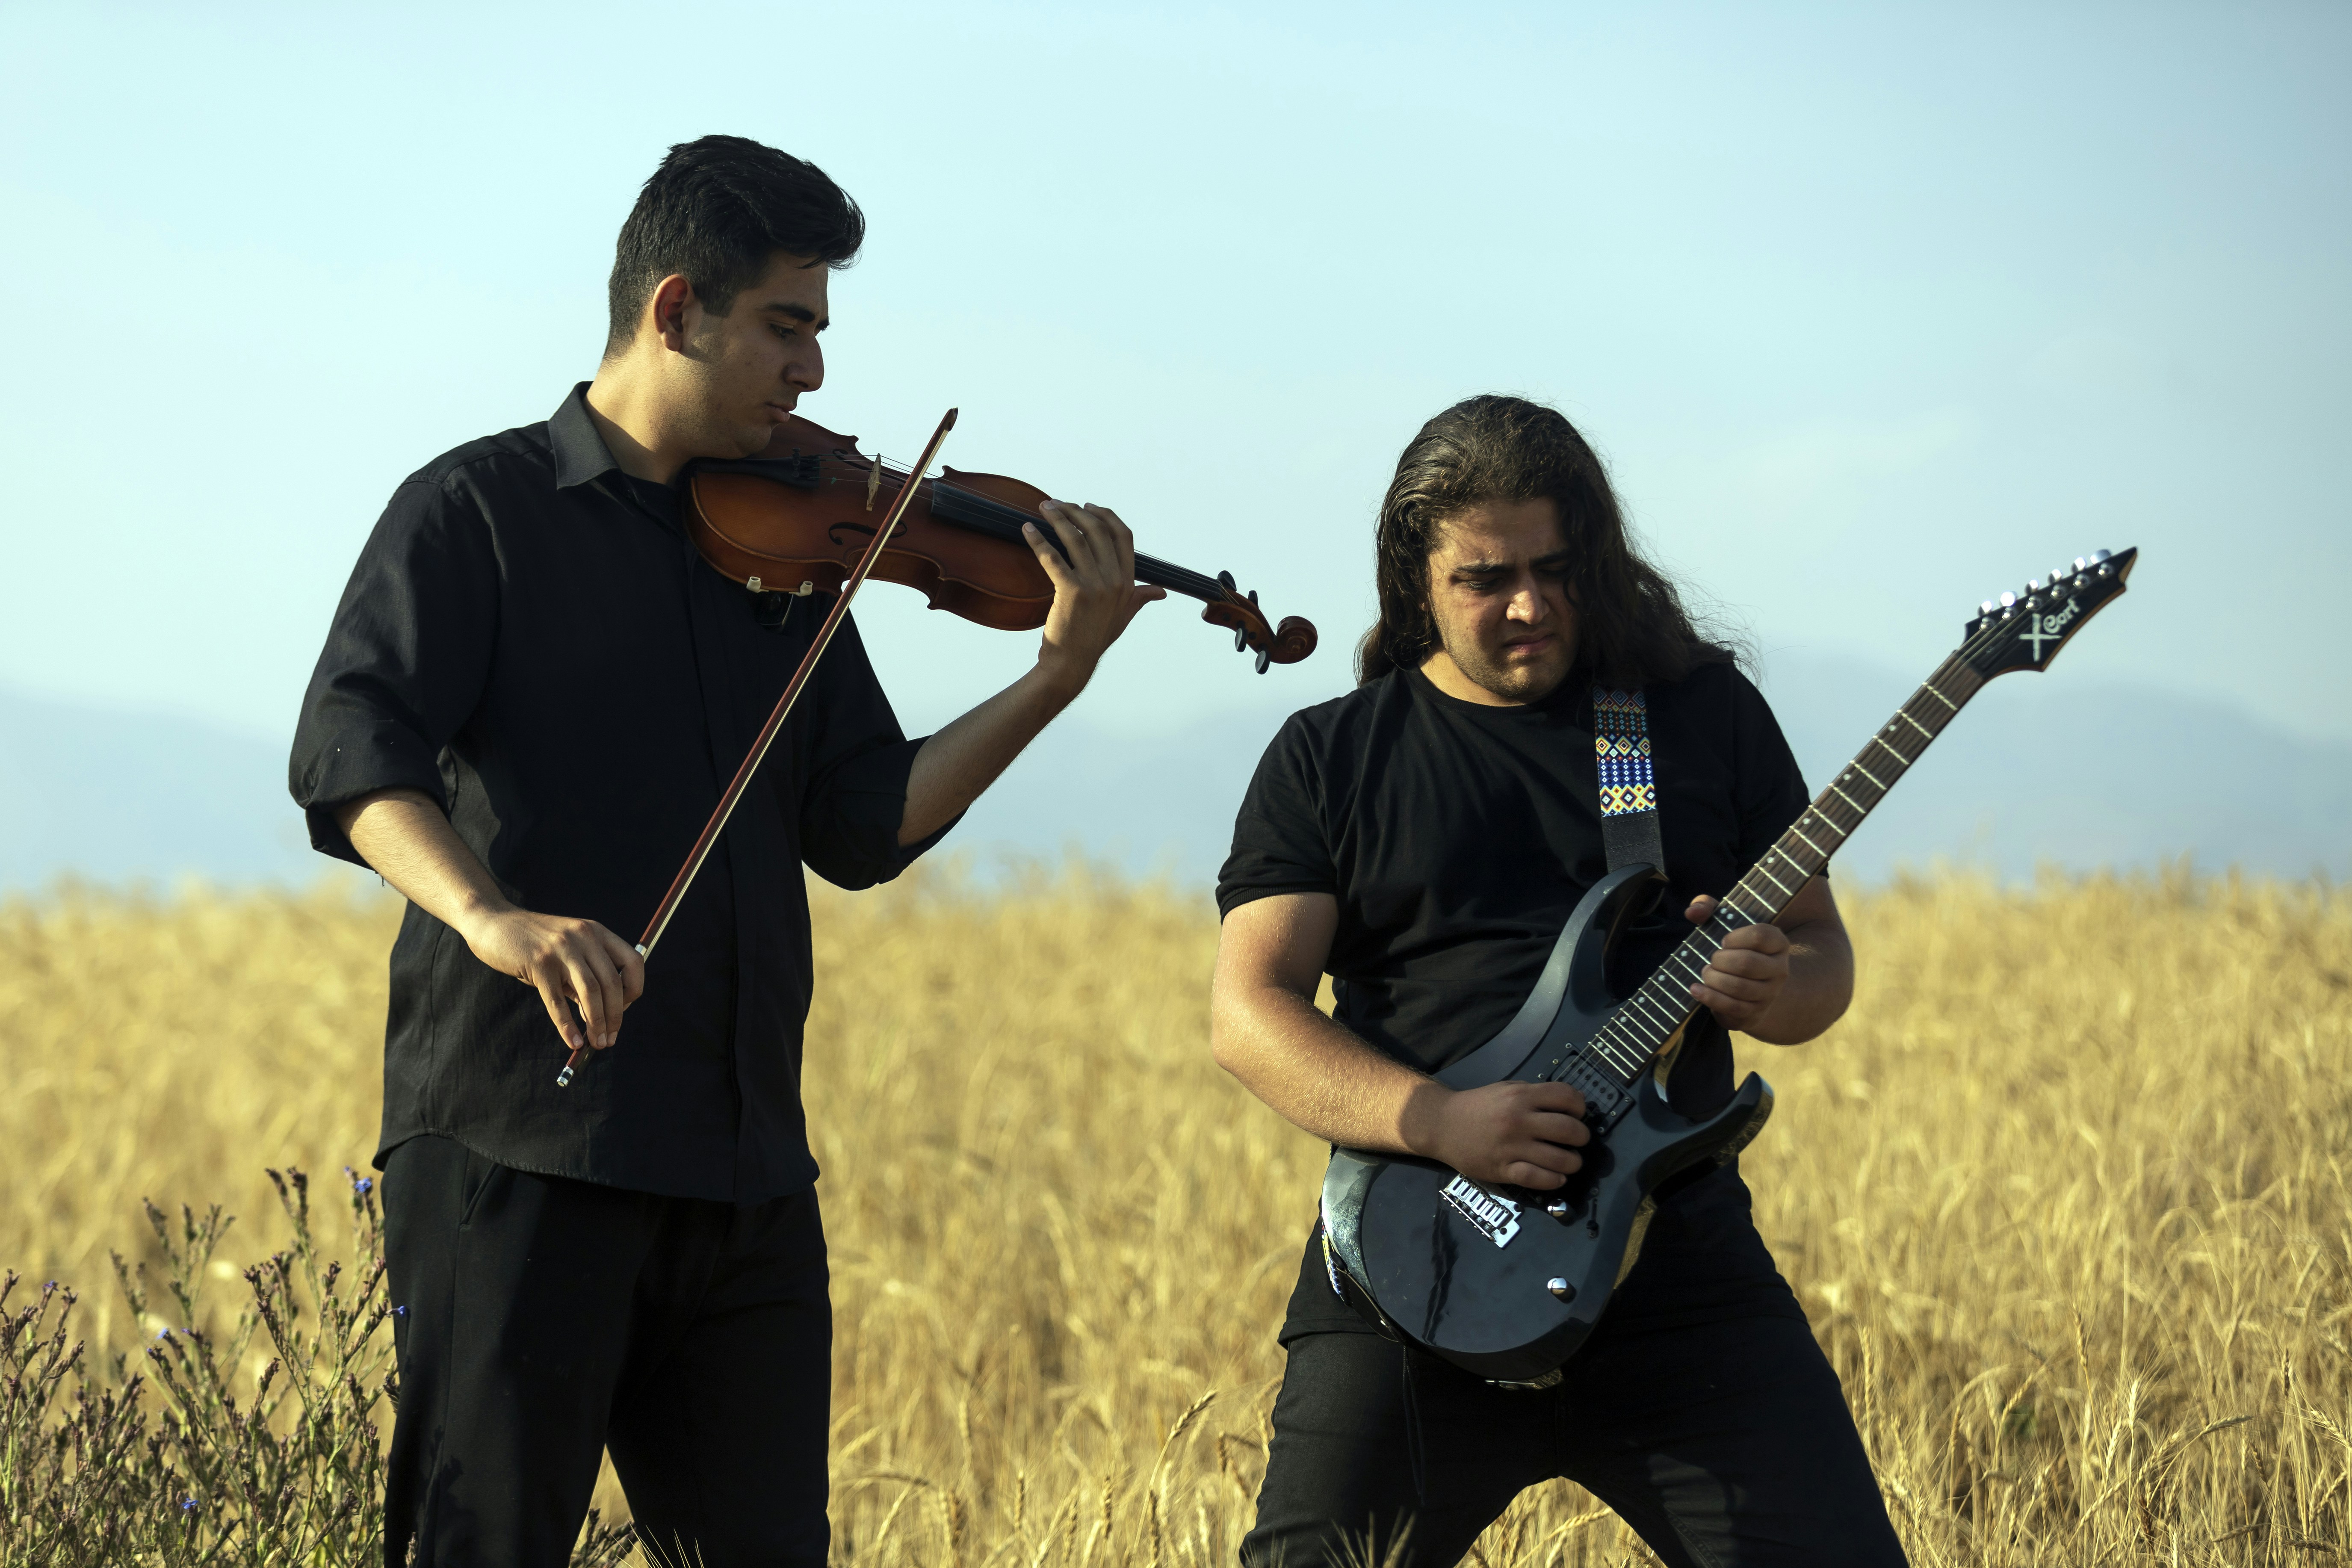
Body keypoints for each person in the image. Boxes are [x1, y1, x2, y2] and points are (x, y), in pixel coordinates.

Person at [288, 135, 1161, 1568]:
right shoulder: (478, 511)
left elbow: (864, 820)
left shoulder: (787, 555)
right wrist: (494, 919)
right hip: (526, 1147)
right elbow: (349, 748)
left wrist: (1052, 677)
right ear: (676, 307)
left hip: (746, 1175)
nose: (813, 374)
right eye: (788, 326)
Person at [1209, 395, 1908, 1567]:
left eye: (1553, 567)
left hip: (1671, 1272)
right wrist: (1439, 1120)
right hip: (1412, 1261)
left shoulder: (1696, 715)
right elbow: (1248, 1011)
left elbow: (1818, 963)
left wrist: (1765, 990)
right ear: (1414, 579)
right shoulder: (1332, 754)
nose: (1528, 603)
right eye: (1485, 578)